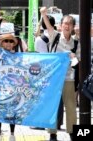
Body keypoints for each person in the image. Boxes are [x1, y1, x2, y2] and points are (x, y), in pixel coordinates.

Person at [40, 7, 79, 141]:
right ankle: (52, 133)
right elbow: (48, 25)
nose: (67, 26)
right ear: (61, 25)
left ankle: (72, 132)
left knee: (71, 107)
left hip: (69, 78)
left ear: (73, 26)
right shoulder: (55, 36)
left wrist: (74, 58)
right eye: (65, 23)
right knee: (54, 106)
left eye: (70, 24)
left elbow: (78, 61)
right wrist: (44, 14)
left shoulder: (76, 42)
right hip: (54, 79)